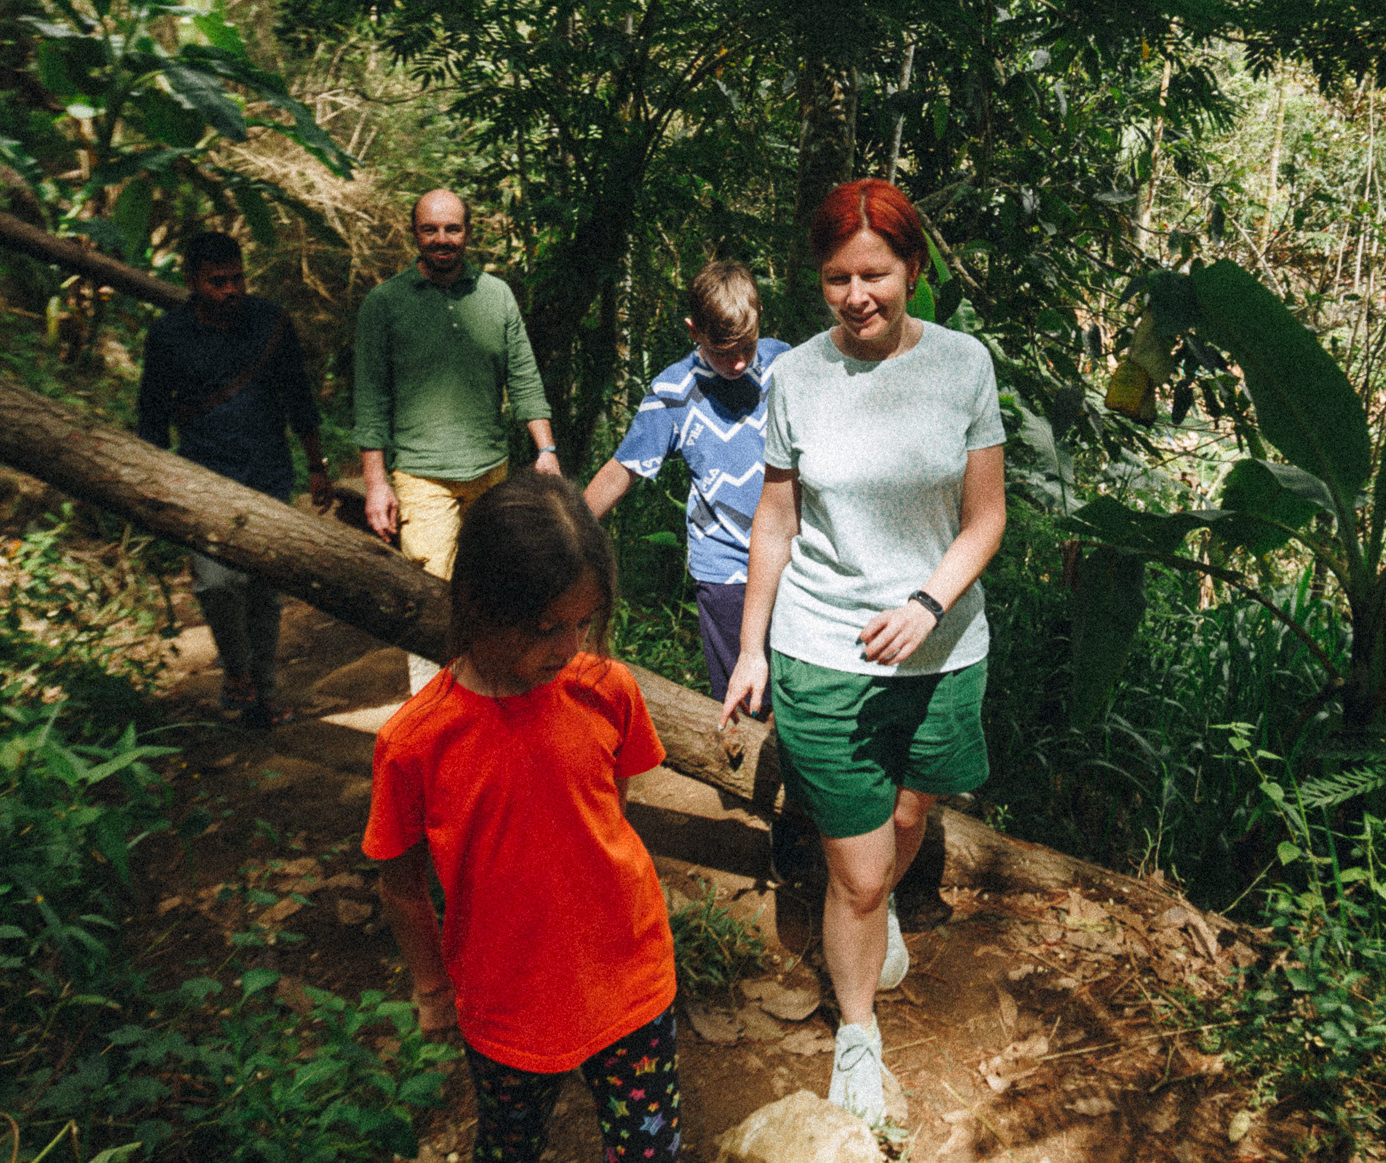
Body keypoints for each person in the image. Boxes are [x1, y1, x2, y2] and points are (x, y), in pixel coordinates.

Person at [718, 178, 1007, 1128]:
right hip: (823, 648)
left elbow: (988, 515)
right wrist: (752, 644)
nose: (856, 296)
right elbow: (776, 513)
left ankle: (871, 921)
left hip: (942, 650)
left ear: (913, 269)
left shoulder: (965, 366)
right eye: (837, 277)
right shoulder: (794, 374)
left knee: (912, 813)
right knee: (861, 870)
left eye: (874, 273)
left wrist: (929, 599)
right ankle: (856, 1029)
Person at [366, 472, 680, 1162]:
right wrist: (430, 988)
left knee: (651, 1146)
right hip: (506, 1002)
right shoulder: (417, 741)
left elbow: (607, 819)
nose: (568, 646)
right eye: (545, 628)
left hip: (630, 976)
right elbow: (400, 884)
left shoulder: (608, 691)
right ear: (478, 604)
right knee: (510, 1143)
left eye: (580, 623)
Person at [354, 188, 559, 690]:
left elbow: (525, 378)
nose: (442, 240)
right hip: (421, 476)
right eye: (431, 230)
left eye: (452, 229)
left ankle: (493, 700)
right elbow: (370, 399)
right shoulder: (385, 304)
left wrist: (546, 450)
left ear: (468, 232)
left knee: (495, 591)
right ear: (415, 233)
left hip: (490, 472)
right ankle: (435, 709)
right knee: (431, 599)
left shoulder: (496, 296)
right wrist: (376, 484)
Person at [135, 231, 331, 728]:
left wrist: (317, 467)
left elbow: (298, 398)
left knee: (265, 589)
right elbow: (152, 416)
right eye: (217, 282)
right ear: (193, 282)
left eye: (237, 278)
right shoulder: (168, 335)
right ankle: (238, 670)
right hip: (201, 477)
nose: (230, 290)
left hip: (267, 473)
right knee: (216, 583)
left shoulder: (270, 323)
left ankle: (262, 696)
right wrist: (156, 485)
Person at [584, 259, 790, 699]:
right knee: (746, 699)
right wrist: (564, 528)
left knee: (795, 698)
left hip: (793, 563)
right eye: (722, 351)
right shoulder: (672, 393)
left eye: (746, 348)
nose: (737, 363)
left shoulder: (784, 363)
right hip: (725, 569)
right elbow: (622, 471)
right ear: (694, 330)